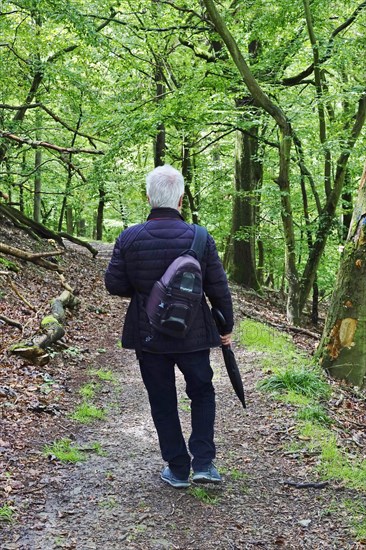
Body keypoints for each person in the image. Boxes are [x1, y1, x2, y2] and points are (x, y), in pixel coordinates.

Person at [105, 164, 233, 488]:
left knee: (162, 400)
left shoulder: (129, 237)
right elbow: (218, 287)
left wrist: (146, 289)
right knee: (202, 392)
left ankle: (177, 469)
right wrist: (225, 325)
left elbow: (115, 285)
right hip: (194, 335)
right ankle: (204, 463)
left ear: (149, 198)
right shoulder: (200, 237)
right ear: (180, 200)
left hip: (149, 335)